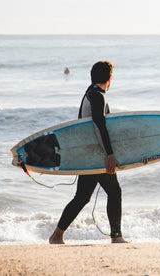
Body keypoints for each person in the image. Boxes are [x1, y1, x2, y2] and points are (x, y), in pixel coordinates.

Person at [49, 61, 127, 244]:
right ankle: (117, 237)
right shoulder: (97, 96)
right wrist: (109, 154)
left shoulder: (90, 93)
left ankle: (57, 235)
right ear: (109, 79)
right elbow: (99, 125)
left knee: (83, 197)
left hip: (89, 154)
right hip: (96, 155)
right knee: (114, 192)